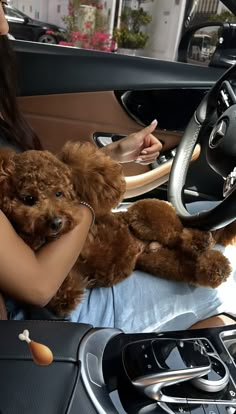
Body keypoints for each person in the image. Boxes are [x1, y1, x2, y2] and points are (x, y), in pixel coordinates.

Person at [0, 0, 236, 331]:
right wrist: (82, 208)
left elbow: (50, 177)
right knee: (213, 287)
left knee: (201, 223)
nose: (5, 25)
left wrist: (112, 157)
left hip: (70, 259)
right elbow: (37, 286)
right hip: (53, 308)